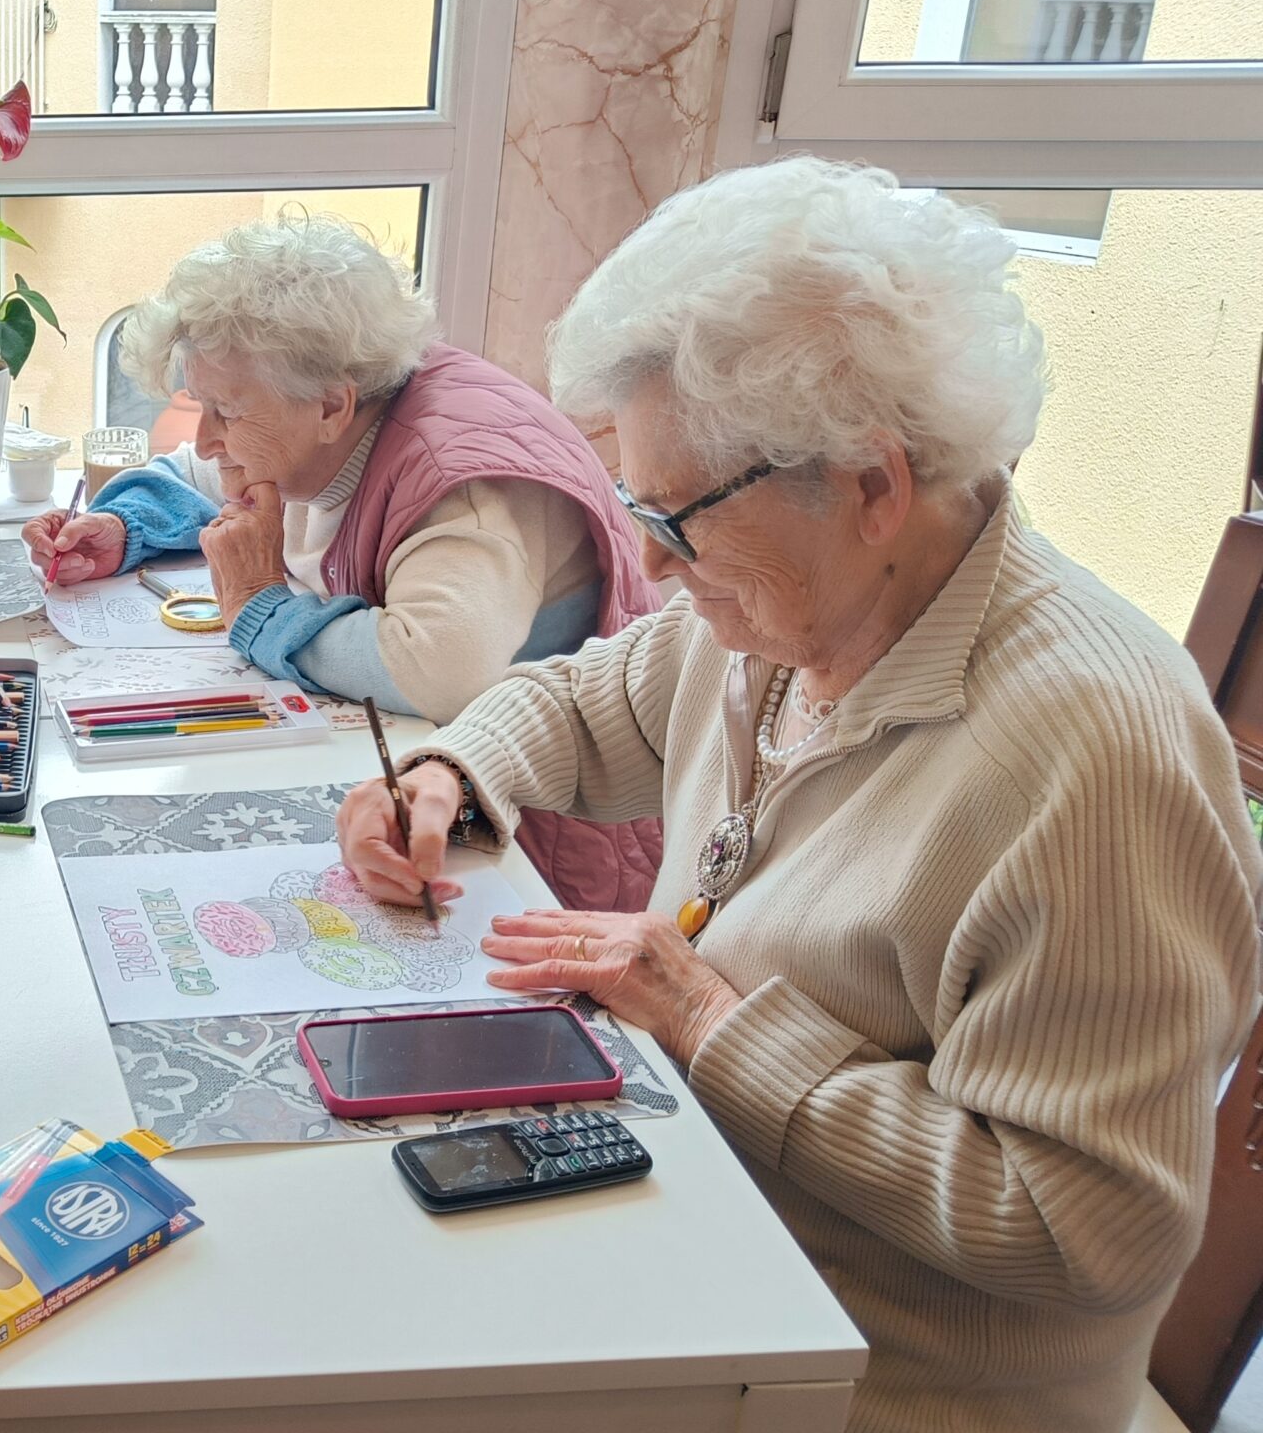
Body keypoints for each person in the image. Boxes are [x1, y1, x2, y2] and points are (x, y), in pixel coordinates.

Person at [339, 159, 1262, 1433]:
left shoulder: (1098, 765)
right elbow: (589, 702)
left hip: (867, 1387)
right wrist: (447, 773)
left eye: (678, 517)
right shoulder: (788, 607)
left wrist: (709, 1019)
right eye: (635, 506)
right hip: (703, 1249)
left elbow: (1083, 1227)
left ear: (873, 485)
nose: (651, 562)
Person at [27, 213, 665, 909]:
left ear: (333, 406)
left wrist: (258, 605)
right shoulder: (315, 419)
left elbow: (437, 671)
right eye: (200, 404)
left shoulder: (462, 485)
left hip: (528, 843)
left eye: (226, 412)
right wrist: (125, 525)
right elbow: (199, 470)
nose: (206, 436)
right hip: (433, 789)